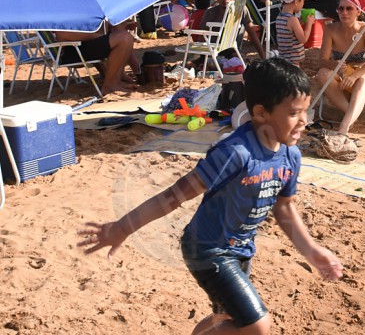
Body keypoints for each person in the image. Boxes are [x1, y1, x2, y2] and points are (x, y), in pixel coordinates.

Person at [77, 58, 344, 334]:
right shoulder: (235, 153)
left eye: (305, 111)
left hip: (241, 249)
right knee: (257, 326)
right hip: (207, 249)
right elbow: (175, 196)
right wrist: (123, 227)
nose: (304, 121)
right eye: (293, 113)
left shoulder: (291, 156)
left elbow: (285, 208)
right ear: (262, 113)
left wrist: (312, 251)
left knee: (228, 319)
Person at [315, 0, 365, 134]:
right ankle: (351, 113)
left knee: (362, 82)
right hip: (343, 81)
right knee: (323, 73)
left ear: (358, 12)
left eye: (349, 9)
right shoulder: (330, 29)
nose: (344, 12)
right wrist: (333, 64)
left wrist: (355, 75)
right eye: (340, 8)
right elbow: (322, 61)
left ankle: (344, 128)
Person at [52, 20, 140, 93]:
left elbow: (93, 27)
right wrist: (101, 36)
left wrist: (112, 27)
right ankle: (110, 84)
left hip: (83, 46)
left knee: (121, 32)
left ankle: (125, 75)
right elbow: (62, 34)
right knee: (124, 38)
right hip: (73, 51)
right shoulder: (65, 10)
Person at [197, 0, 266, 59]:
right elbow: (202, 37)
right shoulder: (210, 12)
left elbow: (251, 32)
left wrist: (263, 56)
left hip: (231, 50)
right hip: (212, 50)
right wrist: (201, 57)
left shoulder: (241, 9)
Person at [274, 0, 316, 67]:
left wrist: (299, 22)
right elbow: (303, 39)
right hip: (293, 61)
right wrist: (309, 24)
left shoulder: (280, 17)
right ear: (296, 1)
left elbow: (289, 32)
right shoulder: (292, 19)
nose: (303, 4)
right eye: (303, 1)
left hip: (283, 59)